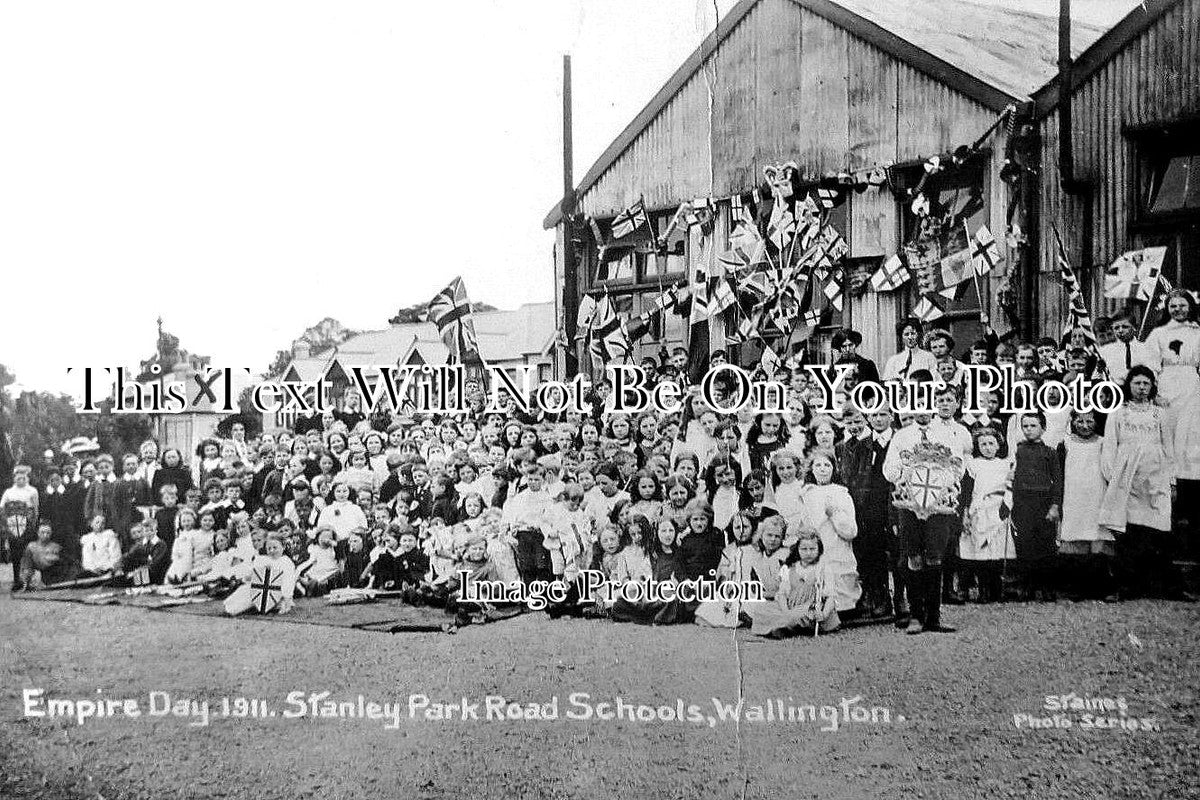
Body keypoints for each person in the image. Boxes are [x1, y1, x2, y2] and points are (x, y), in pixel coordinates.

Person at [882, 383, 965, 635]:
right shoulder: (902, 436)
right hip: (909, 505)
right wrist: (907, 469)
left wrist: (943, 476)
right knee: (914, 557)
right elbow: (889, 472)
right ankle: (916, 615)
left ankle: (934, 616)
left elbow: (958, 469)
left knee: (935, 557)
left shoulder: (947, 435)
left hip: (938, 507)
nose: (922, 410)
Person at [1099, 366, 1184, 599]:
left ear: (1152, 386)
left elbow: (1168, 448)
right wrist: (1113, 477)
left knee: (1158, 530)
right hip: (1128, 479)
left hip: (1155, 478)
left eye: (1146, 383)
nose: (1141, 388)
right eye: (1137, 383)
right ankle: (1124, 587)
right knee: (1129, 533)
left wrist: (1171, 480)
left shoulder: (1160, 414)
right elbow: (1109, 447)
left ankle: (1164, 587)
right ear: (1129, 385)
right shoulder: (1118, 413)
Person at [791, 450, 860, 613]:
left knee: (840, 585)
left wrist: (834, 514)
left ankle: (842, 607)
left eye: (827, 465)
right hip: (815, 549)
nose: (822, 469)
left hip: (838, 547)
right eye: (818, 465)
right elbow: (802, 525)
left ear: (833, 469)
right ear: (812, 469)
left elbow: (851, 530)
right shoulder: (807, 494)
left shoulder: (842, 493)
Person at [1056, 410, 1114, 599]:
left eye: (1090, 421)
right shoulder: (1065, 443)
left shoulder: (1103, 442)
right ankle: (1078, 587)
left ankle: (1101, 587)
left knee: (1097, 538)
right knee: (1076, 537)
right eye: (1079, 421)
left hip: (1097, 496)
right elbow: (1059, 474)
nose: (1085, 425)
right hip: (1074, 497)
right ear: (1072, 421)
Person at [1008, 412, 1062, 601]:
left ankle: (1047, 587)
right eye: (1026, 426)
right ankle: (1026, 587)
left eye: (1033, 426)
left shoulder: (1050, 453)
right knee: (1024, 545)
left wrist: (1055, 505)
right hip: (1023, 504)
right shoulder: (1018, 451)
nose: (1029, 430)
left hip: (1044, 503)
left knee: (1046, 546)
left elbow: (1057, 481)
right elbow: (1012, 479)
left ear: (1043, 428)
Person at [959, 428, 1014, 603]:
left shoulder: (1005, 464)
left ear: (998, 445)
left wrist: (1006, 507)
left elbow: (1010, 488)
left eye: (991, 443)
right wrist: (966, 512)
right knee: (981, 550)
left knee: (997, 551)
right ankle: (983, 590)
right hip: (980, 510)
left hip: (999, 511)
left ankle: (997, 590)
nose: (987, 447)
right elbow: (967, 491)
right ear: (977, 446)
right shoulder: (973, 465)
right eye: (983, 444)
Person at [749, 532, 840, 637]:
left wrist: (823, 614)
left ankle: (789, 627)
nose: (808, 553)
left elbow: (830, 596)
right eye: (804, 549)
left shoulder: (823, 568)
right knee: (762, 609)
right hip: (791, 606)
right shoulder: (790, 568)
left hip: (811, 607)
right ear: (798, 550)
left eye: (812, 549)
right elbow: (782, 594)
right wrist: (786, 611)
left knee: (803, 614)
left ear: (819, 549)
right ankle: (787, 626)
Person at [1144, 289, 1200, 431]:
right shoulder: (1158, 333)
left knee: (1191, 429)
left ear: (1190, 307)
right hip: (1167, 386)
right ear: (1167, 308)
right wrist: (1154, 394)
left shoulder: (1197, 332)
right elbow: (1149, 365)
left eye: (1182, 305)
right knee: (1169, 427)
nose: (1178, 309)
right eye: (1173, 306)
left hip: (1192, 387)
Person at [1097, 310, 1150, 386]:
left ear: (1134, 327)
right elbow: (1098, 377)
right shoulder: (1105, 351)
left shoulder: (1145, 349)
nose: (1120, 330)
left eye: (1125, 327)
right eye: (1116, 328)